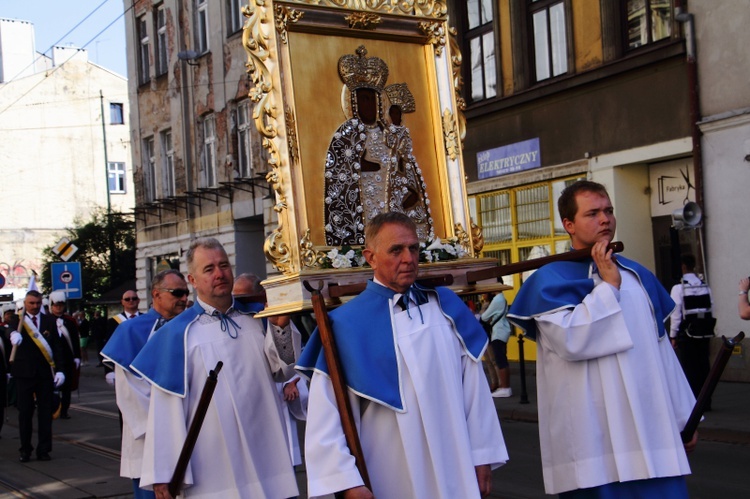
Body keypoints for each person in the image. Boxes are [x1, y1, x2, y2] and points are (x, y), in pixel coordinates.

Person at [297, 212, 508, 499]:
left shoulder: (445, 307)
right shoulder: (346, 324)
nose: (408, 258)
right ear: (370, 257)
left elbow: (473, 386)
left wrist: (482, 452)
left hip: (454, 461)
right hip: (389, 467)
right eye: (396, 250)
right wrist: (347, 482)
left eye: (413, 248)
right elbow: (326, 415)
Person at [508, 180, 697, 497]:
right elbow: (572, 341)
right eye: (592, 213)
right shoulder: (549, 281)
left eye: (608, 210)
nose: (605, 219)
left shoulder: (637, 276)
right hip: (593, 438)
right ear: (569, 224)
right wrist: (608, 288)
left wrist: (685, 418)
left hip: (651, 433)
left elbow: (662, 350)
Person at [131, 238, 301, 498]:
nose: (219, 274)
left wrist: (280, 327)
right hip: (211, 461)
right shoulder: (178, 334)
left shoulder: (257, 318)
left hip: (266, 448)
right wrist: (163, 472)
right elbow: (164, 411)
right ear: (193, 279)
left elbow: (285, 370)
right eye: (208, 269)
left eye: (223, 265)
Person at [324, 45, 433, 246]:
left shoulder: (389, 133)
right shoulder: (347, 134)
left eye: (371, 99)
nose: (368, 105)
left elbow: (405, 166)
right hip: (365, 206)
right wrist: (362, 165)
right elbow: (339, 169)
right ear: (353, 102)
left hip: (393, 204)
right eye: (362, 99)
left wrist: (408, 189)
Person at [101, 269, 189, 499]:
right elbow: (130, 394)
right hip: (149, 438)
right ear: (156, 294)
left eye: (186, 293)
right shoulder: (130, 330)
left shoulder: (192, 326)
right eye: (177, 292)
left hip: (188, 432)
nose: (184, 298)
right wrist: (167, 426)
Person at [232, 273, 308, 467]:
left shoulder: (270, 317)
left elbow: (300, 355)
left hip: (277, 395)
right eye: (237, 297)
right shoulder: (234, 323)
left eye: (245, 297)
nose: (241, 303)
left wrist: (292, 381)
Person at [9, 290, 67, 462]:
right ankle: (25, 449)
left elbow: (57, 348)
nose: (34, 306)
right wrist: (12, 334)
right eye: (31, 303)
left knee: (45, 413)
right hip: (24, 374)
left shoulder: (50, 320)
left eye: (37, 303)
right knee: (25, 413)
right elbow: (8, 331)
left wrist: (61, 370)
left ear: (42, 303)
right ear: (25, 304)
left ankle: (44, 449)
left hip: (44, 375)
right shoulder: (17, 320)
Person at [669, 254, 715, 404]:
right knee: (704, 364)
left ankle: (693, 400)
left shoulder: (679, 288)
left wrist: (673, 335)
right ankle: (706, 399)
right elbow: (710, 306)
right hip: (704, 330)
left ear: (683, 266)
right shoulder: (704, 286)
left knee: (690, 367)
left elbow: (675, 313)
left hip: (687, 332)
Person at [48, 290, 81, 419]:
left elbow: (75, 340)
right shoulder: (47, 321)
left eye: (61, 305)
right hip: (52, 359)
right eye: (56, 305)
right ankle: (52, 409)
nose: (58, 308)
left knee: (66, 387)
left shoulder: (70, 321)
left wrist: (77, 356)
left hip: (67, 358)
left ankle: (64, 410)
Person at [481, 292, 513, 398]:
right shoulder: (501, 298)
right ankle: (505, 387)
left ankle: (505, 388)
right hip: (502, 331)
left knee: (500, 360)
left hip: (498, 332)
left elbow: (484, 317)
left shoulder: (497, 299)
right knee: (502, 359)